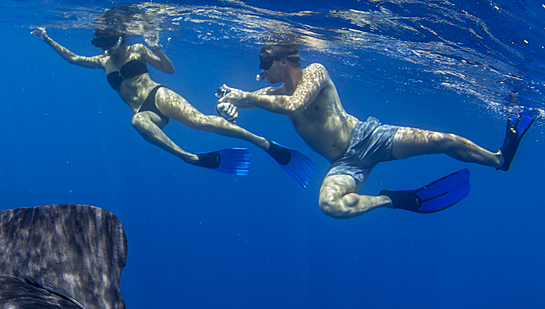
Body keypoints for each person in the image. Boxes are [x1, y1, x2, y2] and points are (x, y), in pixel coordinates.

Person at [215, 40, 537, 218]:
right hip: (344, 164)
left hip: (370, 138)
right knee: (330, 205)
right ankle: (395, 200)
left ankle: (500, 158)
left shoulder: (315, 72)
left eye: (265, 62)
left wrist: (243, 97)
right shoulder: (273, 93)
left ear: (285, 61)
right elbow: (237, 102)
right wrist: (227, 105)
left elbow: (297, 105)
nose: (261, 70)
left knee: (443, 140)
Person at [31, 26, 315, 186]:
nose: (104, 49)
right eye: (100, 44)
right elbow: (72, 58)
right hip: (142, 111)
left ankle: (263, 143)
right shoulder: (102, 62)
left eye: (107, 42)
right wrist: (47, 39)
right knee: (137, 122)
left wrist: (156, 47)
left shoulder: (137, 50)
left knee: (201, 121)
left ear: (119, 37)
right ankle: (189, 157)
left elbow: (169, 70)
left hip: (158, 94)